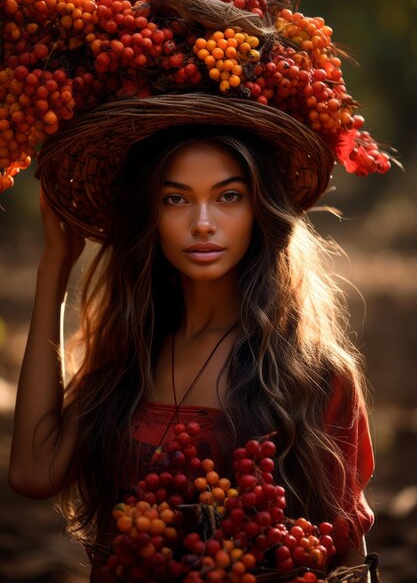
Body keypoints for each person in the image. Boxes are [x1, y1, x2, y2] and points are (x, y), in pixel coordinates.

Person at [8, 120, 375, 580]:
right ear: (151, 214)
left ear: (261, 209)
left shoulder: (312, 373)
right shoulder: (128, 356)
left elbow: (347, 560)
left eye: (228, 196)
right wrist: (55, 269)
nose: (202, 224)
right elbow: (32, 473)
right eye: (176, 199)